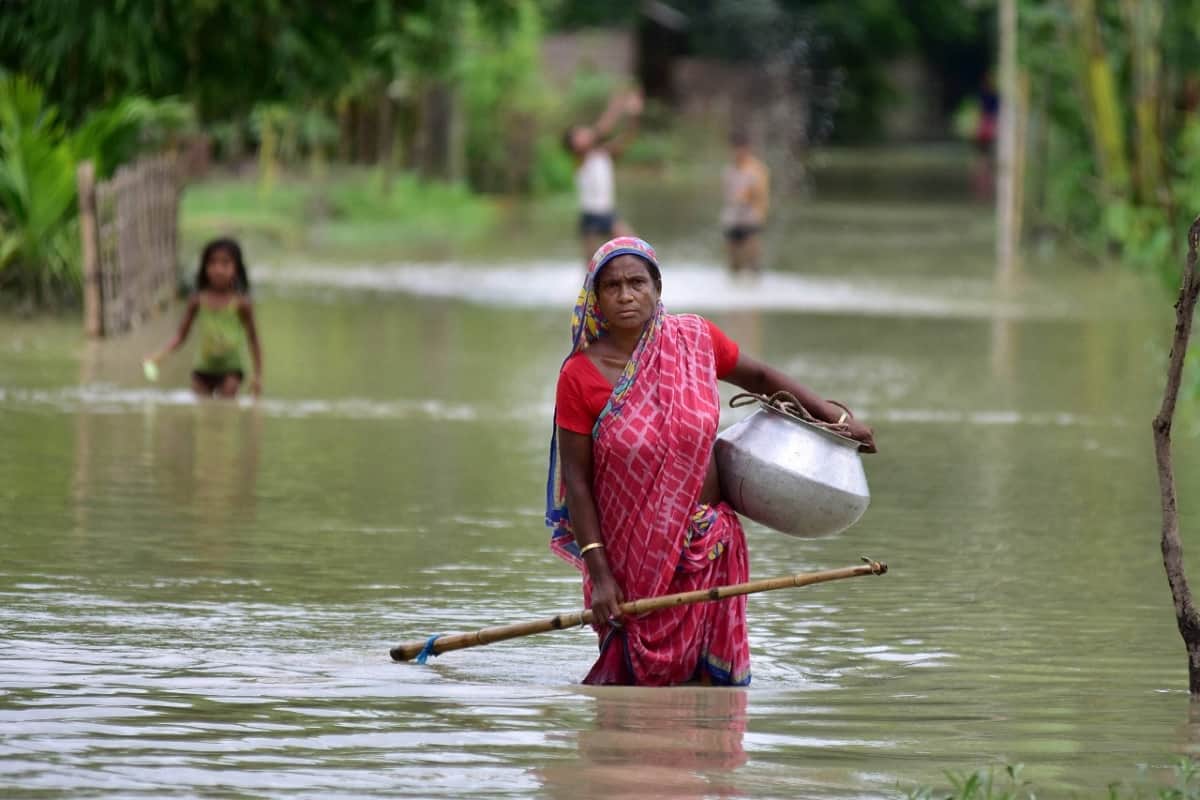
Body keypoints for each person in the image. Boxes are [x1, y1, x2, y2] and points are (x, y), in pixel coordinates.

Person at [545, 237, 875, 686]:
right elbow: (577, 482)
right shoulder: (579, 375)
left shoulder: (695, 340)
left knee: (710, 695)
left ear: (657, 288)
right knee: (632, 684)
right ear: (595, 298)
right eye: (612, 286)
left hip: (710, 547)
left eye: (637, 282)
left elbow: (760, 377)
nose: (626, 295)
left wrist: (834, 419)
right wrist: (600, 576)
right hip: (630, 561)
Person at [145, 238, 263, 398]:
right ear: (205, 267)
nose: (218, 269)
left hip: (231, 371)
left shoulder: (241, 303)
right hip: (202, 370)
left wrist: (257, 375)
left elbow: (253, 339)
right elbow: (181, 336)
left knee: (226, 410)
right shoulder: (197, 300)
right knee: (201, 411)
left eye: (225, 263)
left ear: (237, 268)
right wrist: (159, 356)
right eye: (212, 263)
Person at [563, 89, 643, 266]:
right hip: (590, 216)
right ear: (573, 145)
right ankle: (589, 293)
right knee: (591, 264)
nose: (585, 134)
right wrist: (617, 105)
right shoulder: (579, 159)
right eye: (579, 135)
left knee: (636, 249)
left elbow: (628, 137)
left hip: (607, 213)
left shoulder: (602, 154)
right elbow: (601, 130)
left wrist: (633, 115)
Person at [721, 130, 770, 276]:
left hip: (751, 218)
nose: (737, 152)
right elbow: (727, 195)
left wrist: (747, 198)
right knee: (733, 262)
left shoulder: (757, 169)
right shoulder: (729, 169)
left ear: (747, 148)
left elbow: (761, 194)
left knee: (752, 261)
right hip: (733, 218)